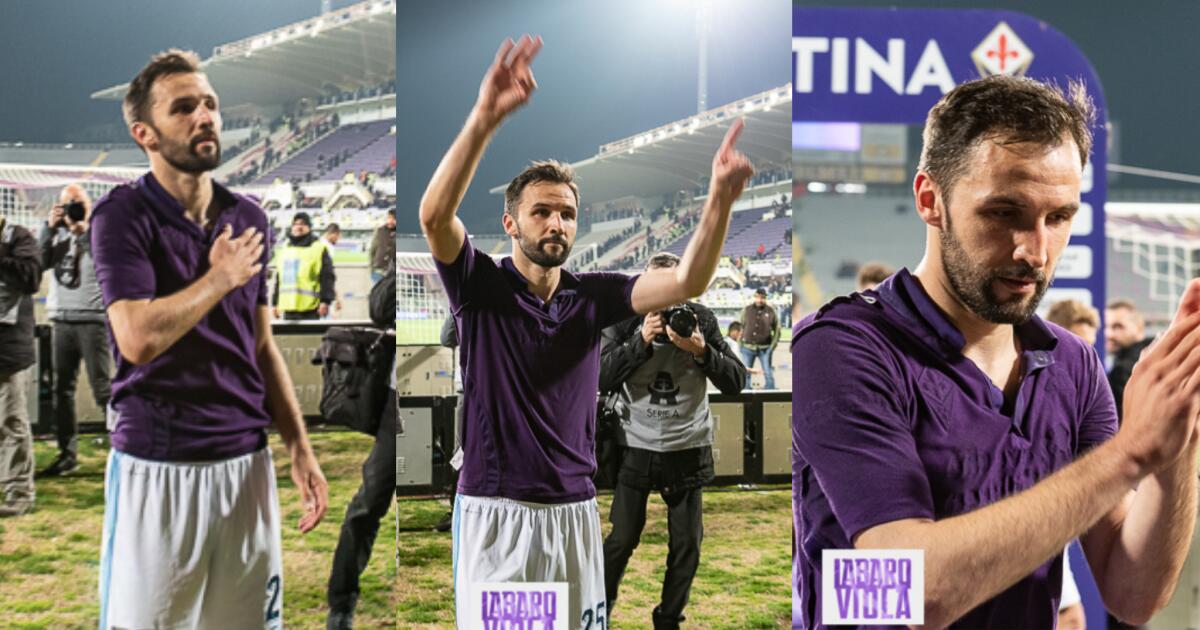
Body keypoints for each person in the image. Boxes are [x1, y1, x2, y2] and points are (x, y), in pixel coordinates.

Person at [793, 74, 1197, 629]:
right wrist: (1128, 454)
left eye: (1059, 218)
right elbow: (911, 593)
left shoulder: (1072, 365)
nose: (1035, 250)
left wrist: (1180, 431)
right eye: (1004, 213)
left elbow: (1132, 594)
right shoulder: (842, 348)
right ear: (930, 200)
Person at [419, 35, 753, 629]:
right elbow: (435, 217)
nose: (556, 223)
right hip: (500, 513)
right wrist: (484, 117)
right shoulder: (479, 286)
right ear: (511, 222)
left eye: (567, 213)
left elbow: (689, 281)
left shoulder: (592, 294)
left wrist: (720, 201)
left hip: (574, 510)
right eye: (542, 211)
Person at [91, 49, 328, 628]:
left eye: (211, 105)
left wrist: (298, 447)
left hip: (245, 464)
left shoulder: (249, 217)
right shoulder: (121, 216)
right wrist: (219, 278)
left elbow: (261, 345)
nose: (206, 117)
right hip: (159, 465)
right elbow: (137, 339)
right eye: (184, 108)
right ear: (144, 133)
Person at [598, 252, 746, 629]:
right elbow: (598, 378)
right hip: (637, 447)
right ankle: (598, 611)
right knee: (622, 539)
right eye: (655, 288)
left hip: (687, 447)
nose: (663, 301)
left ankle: (668, 620)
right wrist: (640, 340)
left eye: (672, 288)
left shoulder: (702, 320)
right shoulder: (625, 320)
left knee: (687, 546)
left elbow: (736, 382)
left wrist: (700, 350)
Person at [326, 268, 396, 629]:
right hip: (398, 405)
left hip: (448, 391)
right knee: (368, 504)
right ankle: (341, 604)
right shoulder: (402, 266)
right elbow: (380, 307)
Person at [36, 184, 112, 478]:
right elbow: (38, 264)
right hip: (62, 319)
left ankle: (122, 447)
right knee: (61, 390)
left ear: (89, 205)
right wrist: (49, 229)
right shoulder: (56, 235)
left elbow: (108, 263)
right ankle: (67, 454)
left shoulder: (99, 232)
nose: (73, 208)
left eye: (77, 203)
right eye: (67, 204)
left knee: (103, 388)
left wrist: (82, 230)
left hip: (93, 319)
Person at [0, 209, 43, 516]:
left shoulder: (18, 237)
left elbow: (31, 278)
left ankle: (19, 493)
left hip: (9, 349)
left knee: (11, 421)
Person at [273, 211, 336, 320]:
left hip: (310, 309)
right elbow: (279, 279)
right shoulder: (285, 250)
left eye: (302, 224)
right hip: (288, 308)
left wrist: (325, 301)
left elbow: (327, 277)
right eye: (295, 224)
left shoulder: (318, 249)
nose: (298, 227)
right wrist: (275, 303)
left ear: (309, 227)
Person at [1104, 299, 1152, 422]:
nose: (1109, 334)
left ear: (1139, 327)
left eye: (1118, 327)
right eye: (1106, 327)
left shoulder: (1124, 370)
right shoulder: (1153, 354)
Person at [739, 287, 778, 389]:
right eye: (757, 297)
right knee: (746, 372)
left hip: (765, 349)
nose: (759, 300)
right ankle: (746, 394)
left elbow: (777, 330)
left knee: (768, 373)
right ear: (754, 297)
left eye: (762, 298)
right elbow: (740, 327)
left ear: (765, 298)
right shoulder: (746, 310)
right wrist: (740, 345)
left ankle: (771, 395)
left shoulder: (771, 311)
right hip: (747, 348)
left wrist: (772, 346)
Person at [368, 208, 395, 283]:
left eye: (393, 219)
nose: (391, 221)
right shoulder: (380, 231)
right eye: (389, 218)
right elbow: (372, 250)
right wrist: (371, 269)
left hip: (392, 273)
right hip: (377, 272)